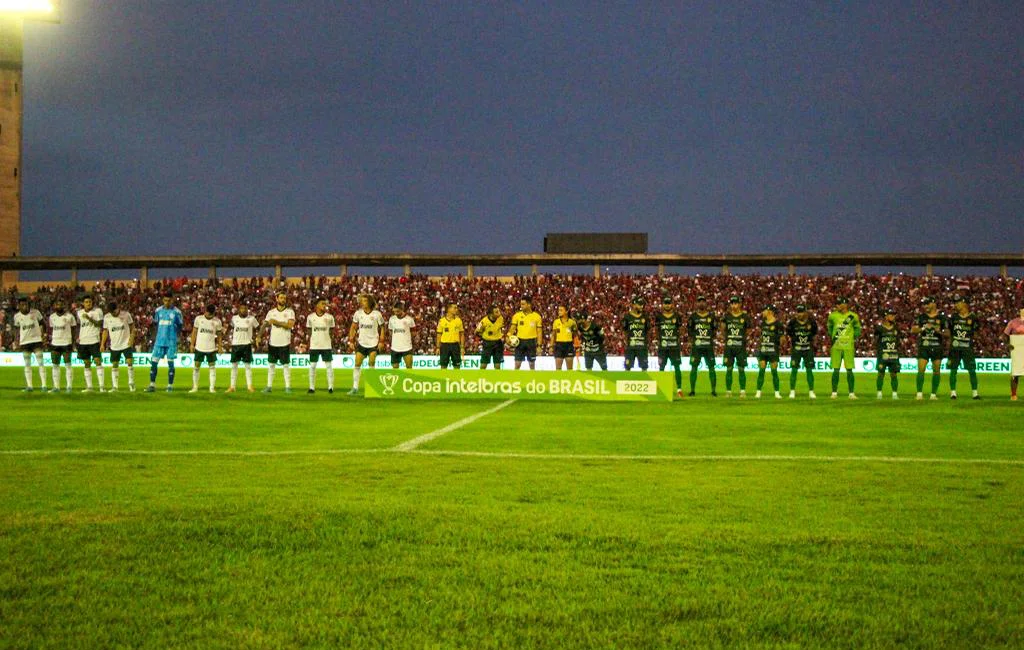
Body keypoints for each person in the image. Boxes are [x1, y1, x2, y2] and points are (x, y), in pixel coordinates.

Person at [146, 292, 183, 392]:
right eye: (165, 300)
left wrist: (176, 337)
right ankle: (152, 385)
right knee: (154, 363)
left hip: (171, 342)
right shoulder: (158, 311)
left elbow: (180, 326)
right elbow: (155, 324)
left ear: (172, 300)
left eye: (169, 300)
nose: (167, 302)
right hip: (159, 341)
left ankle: (170, 386)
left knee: (171, 364)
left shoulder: (177, 312)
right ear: (163, 300)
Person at [912, 297, 948, 400]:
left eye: (927, 304)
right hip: (924, 346)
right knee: (921, 369)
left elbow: (948, 333)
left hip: (937, 347)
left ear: (934, 304)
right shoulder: (921, 317)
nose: (925, 306)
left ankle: (933, 394)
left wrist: (939, 331)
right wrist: (923, 328)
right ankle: (919, 393)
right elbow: (913, 330)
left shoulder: (942, 318)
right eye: (924, 304)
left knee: (936, 370)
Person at [348, 294, 385, 394]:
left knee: (371, 363)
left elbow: (382, 327)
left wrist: (381, 341)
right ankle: (355, 388)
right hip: (362, 343)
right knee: (357, 364)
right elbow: (353, 327)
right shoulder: (358, 314)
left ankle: (372, 387)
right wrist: (351, 341)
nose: (362, 302)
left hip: (373, 343)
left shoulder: (377, 314)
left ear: (369, 302)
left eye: (364, 301)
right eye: (362, 301)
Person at [827, 296, 861, 399]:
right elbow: (829, 328)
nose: (836, 306)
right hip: (836, 346)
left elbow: (857, 330)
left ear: (844, 305)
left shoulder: (853, 316)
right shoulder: (832, 316)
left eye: (838, 304)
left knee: (849, 370)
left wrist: (851, 339)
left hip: (848, 347)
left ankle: (851, 393)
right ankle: (834, 392)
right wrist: (834, 338)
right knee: (835, 370)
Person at [948, 295, 981, 400]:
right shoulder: (953, 317)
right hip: (955, 348)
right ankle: (953, 393)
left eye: (958, 303)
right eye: (955, 303)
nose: (956, 305)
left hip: (967, 348)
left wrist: (972, 335)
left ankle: (975, 393)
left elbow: (976, 333)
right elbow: (949, 331)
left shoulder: (973, 318)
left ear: (965, 304)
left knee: (972, 370)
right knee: (953, 370)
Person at [263, 291, 296, 393]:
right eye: (281, 298)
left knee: (285, 366)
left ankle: (288, 387)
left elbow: (290, 325)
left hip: (284, 343)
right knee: (271, 365)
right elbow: (265, 324)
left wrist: (276, 322)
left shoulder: (290, 312)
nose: (283, 300)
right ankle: (269, 387)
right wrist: (259, 336)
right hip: (273, 343)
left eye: (284, 298)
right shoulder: (271, 312)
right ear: (276, 299)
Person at [13, 297, 47, 392]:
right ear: (19, 306)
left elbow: (43, 324)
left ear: (29, 304)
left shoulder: (36, 312)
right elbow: (16, 329)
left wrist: (43, 334)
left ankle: (44, 385)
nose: (24, 306)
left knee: (41, 362)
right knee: (27, 364)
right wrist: (16, 341)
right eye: (22, 304)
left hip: (36, 340)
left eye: (26, 304)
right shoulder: (17, 316)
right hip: (25, 342)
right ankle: (30, 386)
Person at [686, 295, 718, 396]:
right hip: (697, 347)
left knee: (712, 367)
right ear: (697, 303)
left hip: (708, 346)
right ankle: (692, 390)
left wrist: (709, 339)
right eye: (699, 301)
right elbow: (689, 331)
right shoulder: (693, 317)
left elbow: (714, 330)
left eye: (703, 301)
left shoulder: (711, 316)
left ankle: (713, 391)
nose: (701, 303)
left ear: (706, 303)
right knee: (694, 367)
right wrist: (695, 340)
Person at [721, 295, 751, 397]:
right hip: (729, 347)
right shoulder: (726, 317)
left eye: (736, 303)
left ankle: (742, 391)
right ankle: (728, 391)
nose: (734, 305)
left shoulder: (745, 317)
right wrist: (728, 338)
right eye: (732, 303)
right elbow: (722, 329)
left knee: (741, 369)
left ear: (739, 304)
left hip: (740, 347)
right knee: (729, 369)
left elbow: (748, 330)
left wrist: (742, 338)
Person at [101, 301, 135, 392]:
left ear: (118, 308)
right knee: (115, 364)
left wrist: (131, 338)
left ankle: (131, 383)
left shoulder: (126, 315)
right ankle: (115, 387)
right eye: (112, 312)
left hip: (126, 343)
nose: (113, 313)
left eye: (115, 311)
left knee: (129, 362)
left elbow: (132, 327)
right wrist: (102, 344)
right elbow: (105, 331)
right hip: (115, 345)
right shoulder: (107, 317)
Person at [786, 304, 818, 399]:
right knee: (794, 370)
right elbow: (789, 333)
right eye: (798, 312)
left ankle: (811, 391)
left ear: (805, 312)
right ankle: (792, 391)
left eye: (801, 312)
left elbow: (814, 333)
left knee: (809, 370)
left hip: (808, 349)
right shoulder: (792, 322)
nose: (799, 314)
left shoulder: (811, 322)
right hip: (796, 349)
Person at [189, 304, 223, 393]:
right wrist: (192, 344)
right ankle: (195, 387)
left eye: (212, 314)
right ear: (205, 311)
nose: (210, 316)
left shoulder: (217, 321)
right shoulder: (199, 319)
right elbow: (194, 332)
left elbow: (219, 335)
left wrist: (220, 346)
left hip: (211, 348)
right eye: (209, 314)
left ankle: (212, 388)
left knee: (212, 367)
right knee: (196, 367)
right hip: (199, 347)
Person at [306, 298, 337, 393]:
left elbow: (332, 330)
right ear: (317, 305)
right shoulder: (310, 317)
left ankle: (330, 387)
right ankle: (311, 388)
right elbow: (309, 330)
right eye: (322, 304)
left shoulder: (330, 317)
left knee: (329, 366)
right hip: (314, 345)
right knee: (312, 366)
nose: (325, 305)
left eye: (325, 304)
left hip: (326, 345)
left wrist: (328, 338)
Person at [227, 303, 260, 393]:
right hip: (236, 344)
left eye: (245, 309)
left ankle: (249, 386)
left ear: (247, 310)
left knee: (248, 366)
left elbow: (258, 328)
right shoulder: (234, 318)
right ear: (239, 310)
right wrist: (228, 339)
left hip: (246, 344)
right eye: (241, 308)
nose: (243, 310)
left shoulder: (252, 319)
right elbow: (230, 328)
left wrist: (256, 338)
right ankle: (232, 387)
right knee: (234, 366)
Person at [656, 297, 684, 398]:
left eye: (669, 303)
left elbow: (680, 330)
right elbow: (657, 330)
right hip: (663, 347)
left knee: (677, 367)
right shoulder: (659, 317)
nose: (667, 305)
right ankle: (660, 389)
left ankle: (679, 390)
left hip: (674, 347)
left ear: (672, 304)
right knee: (661, 367)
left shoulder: (677, 316)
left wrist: (676, 340)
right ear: (663, 305)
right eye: (665, 303)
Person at [76, 295, 106, 393]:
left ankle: (102, 387)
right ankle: (89, 387)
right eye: (86, 302)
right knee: (87, 363)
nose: (88, 303)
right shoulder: (79, 313)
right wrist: (77, 337)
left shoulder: (98, 311)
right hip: (83, 342)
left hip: (94, 340)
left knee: (98, 361)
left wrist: (89, 318)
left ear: (92, 302)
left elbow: (100, 324)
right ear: (83, 303)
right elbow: (78, 326)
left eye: (90, 301)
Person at [755, 305, 784, 399]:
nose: (763, 312)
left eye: (764, 310)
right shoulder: (762, 323)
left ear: (770, 312)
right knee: (761, 370)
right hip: (763, 350)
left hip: (773, 351)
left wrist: (778, 342)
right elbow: (761, 336)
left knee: (774, 371)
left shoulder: (778, 324)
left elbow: (783, 339)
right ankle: (758, 392)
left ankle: (777, 392)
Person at [48, 299, 77, 393]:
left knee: (68, 365)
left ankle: (69, 387)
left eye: (61, 304)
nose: (59, 306)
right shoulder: (52, 317)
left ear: (63, 305)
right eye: (57, 304)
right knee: (55, 365)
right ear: (55, 306)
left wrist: (73, 343)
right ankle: (56, 387)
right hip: (55, 343)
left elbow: (74, 330)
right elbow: (51, 329)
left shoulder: (70, 316)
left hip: (66, 343)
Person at [510, 296, 542, 370]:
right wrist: (508, 336)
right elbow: (512, 328)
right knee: (517, 365)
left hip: (531, 342)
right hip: (519, 342)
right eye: (521, 304)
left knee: (531, 365)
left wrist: (539, 345)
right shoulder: (517, 316)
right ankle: (516, 381)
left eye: (523, 304)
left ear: (529, 304)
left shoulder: (537, 317)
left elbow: (539, 332)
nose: (521, 306)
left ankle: (532, 381)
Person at [874, 308, 901, 400]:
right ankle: (879, 393)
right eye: (891, 315)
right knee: (881, 373)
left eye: (894, 315)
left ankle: (894, 393)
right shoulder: (879, 328)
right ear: (886, 316)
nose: (893, 317)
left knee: (894, 374)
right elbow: (875, 341)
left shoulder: (897, 328)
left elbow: (899, 341)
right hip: (883, 355)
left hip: (894, 354)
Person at [623, 297, 649, 371]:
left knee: (644, 367)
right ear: (633, 305)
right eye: (639, 305)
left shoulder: (645, 317)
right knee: (627, 367)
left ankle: (645, 381)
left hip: (642, 347)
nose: (641, 306)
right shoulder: (627, 317)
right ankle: (626, 382)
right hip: (631, 347)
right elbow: (625, 330)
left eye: (642, 305)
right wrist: (628, 341)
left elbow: (647, 331)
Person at [1003, 307, 1024, 401]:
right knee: (1015, 372)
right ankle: (1013, 394)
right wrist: (1008, 344)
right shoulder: (1013, 322)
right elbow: (1005, 334)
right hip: (1017, 349)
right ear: (1020, 311)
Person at [387, 302, 416, 369]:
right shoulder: (392, 319)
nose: (396, 313)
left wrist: (406, 339)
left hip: (407, 347)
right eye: (394, 311)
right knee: (395, 368)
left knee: (409, 367)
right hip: (395, 347)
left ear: (402, 309)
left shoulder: (409, 319)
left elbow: (413, 333)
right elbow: (390, 331)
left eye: (397, 311)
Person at [475, 304, 503, 370]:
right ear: (491, 314)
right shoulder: (483, 321)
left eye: (499, 311)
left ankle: (497, 380)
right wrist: (484, 336)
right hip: (487, 344)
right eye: (496, 312)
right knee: (484, 364)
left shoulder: (501, 318)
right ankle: (481, 379)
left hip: (498, 343)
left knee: (497, 365)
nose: (499, 313)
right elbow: (476, 332)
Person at [437, 304, 465, 370]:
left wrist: (462, 347)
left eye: (456, 308)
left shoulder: (458, 320)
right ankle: (442, 379)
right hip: (444, 346)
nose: (456, 309)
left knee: (457, 366)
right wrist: (438, 347)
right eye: (455, 308)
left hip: (455, 345)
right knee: (443, 366)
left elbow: (462, 334)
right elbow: (439, 335)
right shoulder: (442, 321)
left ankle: (456, 380)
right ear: (449, 309)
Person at [550, 306, 577, 370]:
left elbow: (575, 335)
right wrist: (551, 346)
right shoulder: (556, 322)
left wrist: (577, 346)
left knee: (570, 369)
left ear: (566, 311)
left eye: (561, 310)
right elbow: (553, 335)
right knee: (558, 369)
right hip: (559, 345)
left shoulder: (572, 322)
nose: (559, 312)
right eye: (558, 310)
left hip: (569, 345)